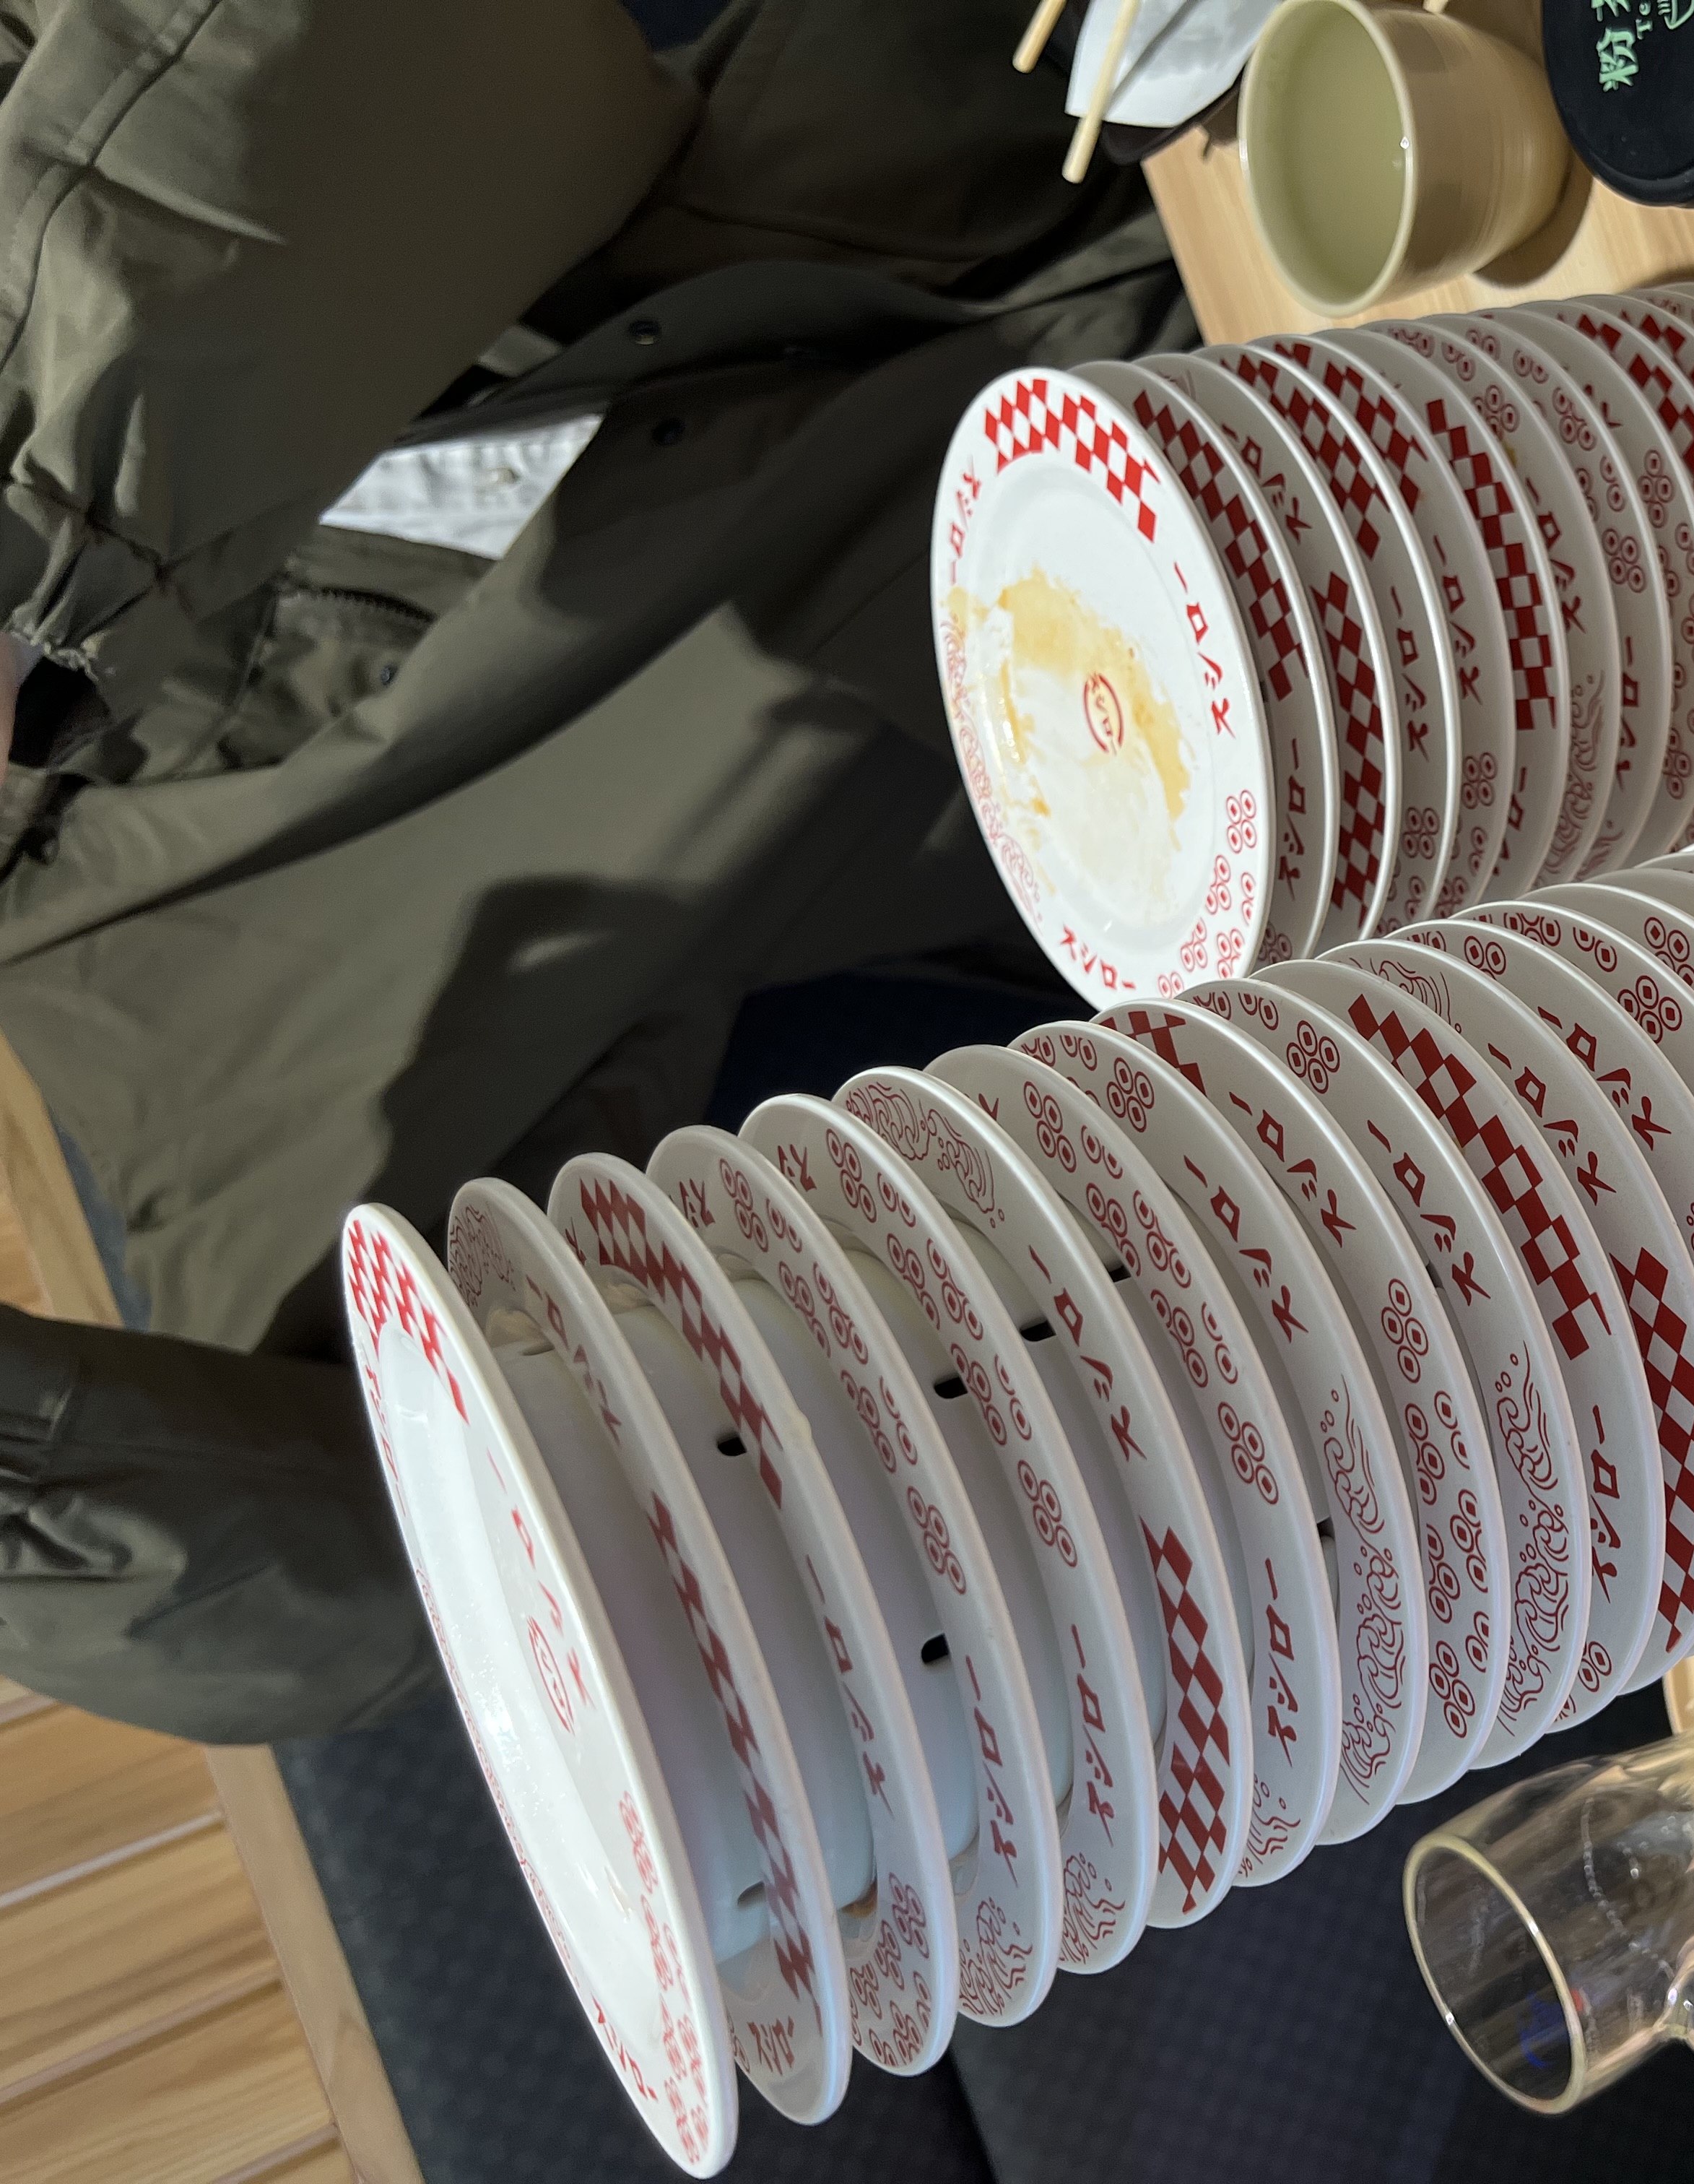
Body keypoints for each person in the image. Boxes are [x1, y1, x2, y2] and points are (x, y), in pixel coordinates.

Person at [0, 0, 1188, 1742]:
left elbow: (459, 62)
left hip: (1079, 92)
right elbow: (449, 1571)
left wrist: (39, 565)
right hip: (1261, 613)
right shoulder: (192, 1170)